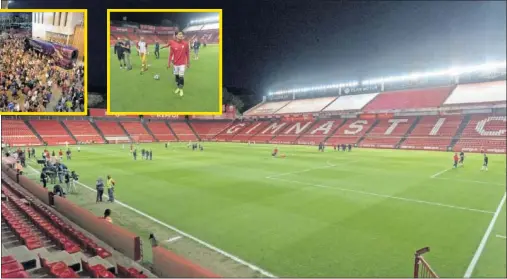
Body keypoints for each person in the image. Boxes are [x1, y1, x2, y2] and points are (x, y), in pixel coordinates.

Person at [161, 31, 190, 97]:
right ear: (176, 35)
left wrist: (188, 62)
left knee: (181, 76)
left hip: (182, 63)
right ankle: (178, 87)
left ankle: (181, 89)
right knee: (176, 76)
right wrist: (168, 63)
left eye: (182, 34)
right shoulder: (172, 43)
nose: (181, 35)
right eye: (179, 34)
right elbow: (170, 54)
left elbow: (187, 54)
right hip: (175, 64)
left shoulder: (186, 44)